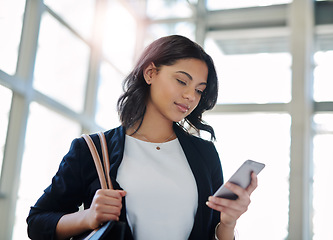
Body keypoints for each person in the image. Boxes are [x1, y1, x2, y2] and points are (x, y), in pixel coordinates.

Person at [26, 35, 258, 240]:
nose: (190, 96)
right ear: (150, 73)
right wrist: (88, 217)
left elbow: (213, 234)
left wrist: (228, 223)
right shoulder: (92, 149)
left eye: (199, 89)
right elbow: (37, 223)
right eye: (181, 81)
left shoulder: (205, 154)